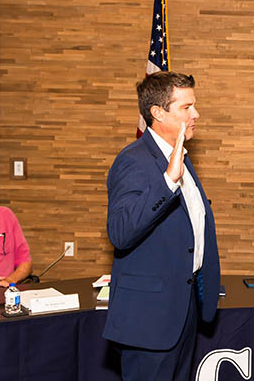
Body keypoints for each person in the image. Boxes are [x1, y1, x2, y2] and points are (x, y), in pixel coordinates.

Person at [103, 71, 220, 381]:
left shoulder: (181, 155)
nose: (196, 114)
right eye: (186, 107)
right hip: (148, 320)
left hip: (182, 311)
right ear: (157, 113)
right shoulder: (134, 160)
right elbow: (121, 232)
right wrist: (167, 180)